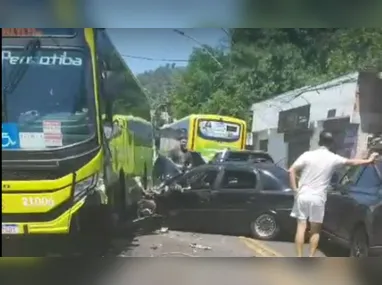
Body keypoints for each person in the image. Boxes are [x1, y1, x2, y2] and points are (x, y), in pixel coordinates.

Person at [288, 130, 379, 257]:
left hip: (302, 195)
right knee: (315, 230)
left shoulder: (307, 155)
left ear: (319, 141)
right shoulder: (333, 158)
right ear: (331, 144)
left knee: (301, 227)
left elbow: (291, 170)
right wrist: (368, 160)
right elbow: (352, 162)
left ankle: (298, 257)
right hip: (318, 197)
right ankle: (310, 257)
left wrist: (295, 189)